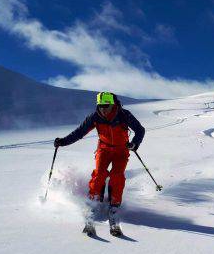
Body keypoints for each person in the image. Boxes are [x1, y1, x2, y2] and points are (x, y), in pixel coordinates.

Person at [54, 92, 145, 232]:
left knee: (117, 175)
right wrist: (63, 141)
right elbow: (79, 132)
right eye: (100, 105)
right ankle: (93, 201)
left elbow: (140, 130)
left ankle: (114, 205)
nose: (103, 108)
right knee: (99, 174)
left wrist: (134, 144)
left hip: (121, 150)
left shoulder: (124, 115)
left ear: (113, 104)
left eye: (106, 105)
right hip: (104, 149)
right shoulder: (95, 117)